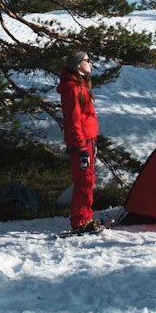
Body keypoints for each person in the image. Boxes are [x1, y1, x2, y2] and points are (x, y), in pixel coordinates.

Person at [57, 50, 102, 234]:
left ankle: (86, 217)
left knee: (88, 180)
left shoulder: (82, 85)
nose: (90, 63)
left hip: (89, 139)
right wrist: (81, 147)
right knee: (83, 180)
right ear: (77, 65)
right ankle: (79, 221)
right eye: (87, 60)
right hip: (81, 142)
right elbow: (74, 121)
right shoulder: (73, 89)